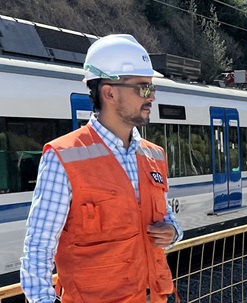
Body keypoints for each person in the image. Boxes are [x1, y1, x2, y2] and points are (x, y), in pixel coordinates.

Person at [20, 34, 183, 303]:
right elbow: (38, 248)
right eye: (143, 88)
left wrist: (173, 231)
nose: (152, 97)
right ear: (109, 92)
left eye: (152, 89)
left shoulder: (154, 154)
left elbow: (164, 216)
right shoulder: (64, 157)